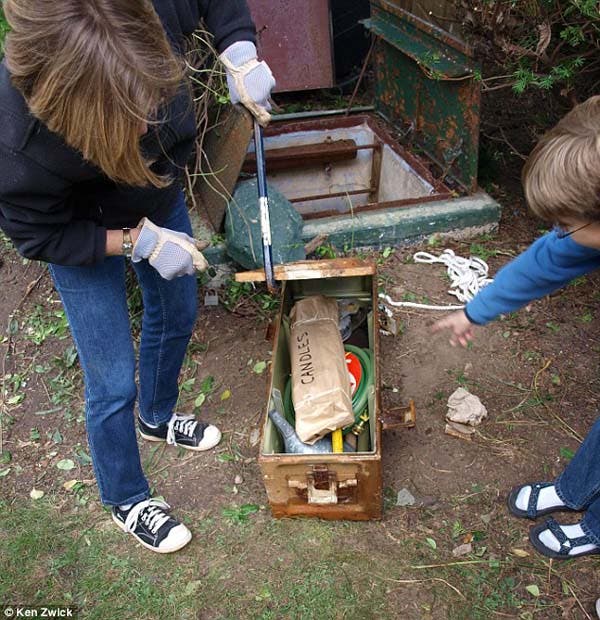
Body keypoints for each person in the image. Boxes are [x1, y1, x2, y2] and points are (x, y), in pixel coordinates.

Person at [0, 0, 275, 553]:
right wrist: (135, 242)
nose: (154, 113)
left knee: (178, 311)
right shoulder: (18, 146)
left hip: (153, 187)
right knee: (111, 379)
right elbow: (40, 237)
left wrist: (239, 50)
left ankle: (158, 415)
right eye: (136, 111)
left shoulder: (131, 13)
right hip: (84, 229)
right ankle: (126, 495)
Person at [433, 95, 600, 560]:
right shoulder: (583, 234)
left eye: (565, 223)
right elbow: (549, 259)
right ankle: (576, 489)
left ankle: (597, 527)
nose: (558, 233)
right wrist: (475, 311)